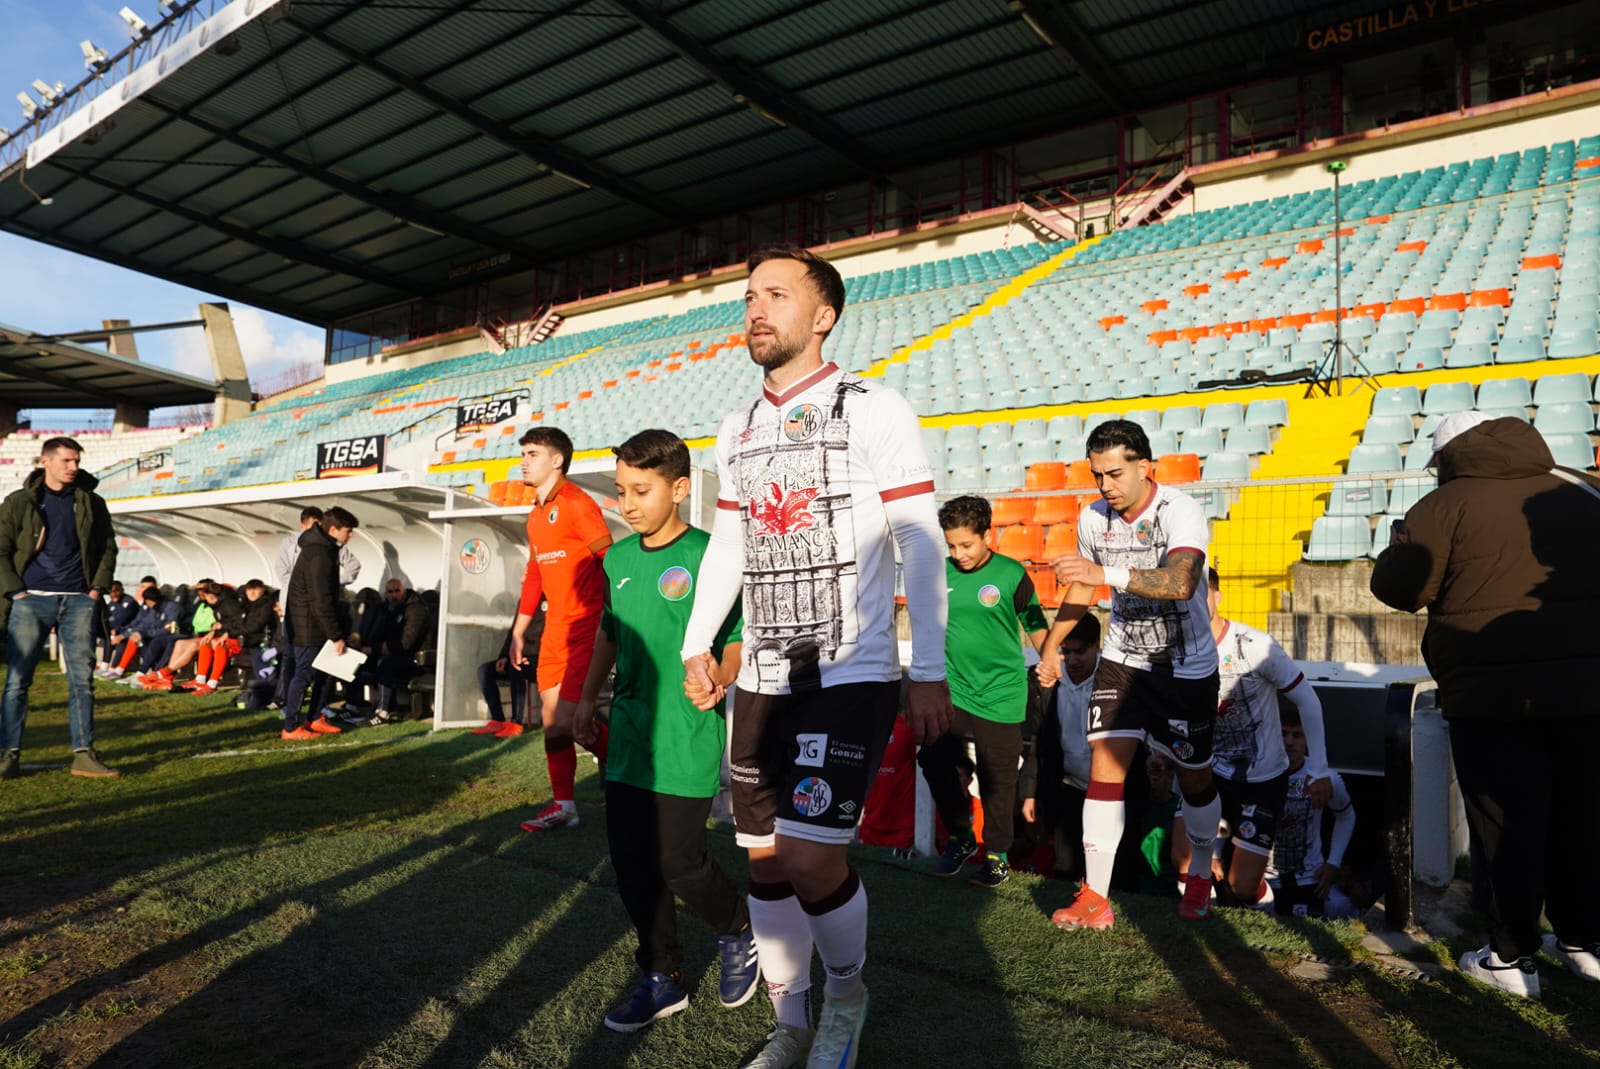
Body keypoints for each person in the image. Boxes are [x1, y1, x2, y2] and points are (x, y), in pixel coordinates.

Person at [680, 243, 951, 1069]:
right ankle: (790, 1022)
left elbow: (918, 536)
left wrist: (928, 662)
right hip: (758, 672)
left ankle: (845, 996)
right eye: (748, 295)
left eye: (776, 294)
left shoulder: (873, 407)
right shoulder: (737, 427)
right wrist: (701, 642)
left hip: (849, 666)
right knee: (762, 861)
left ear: (823, 314)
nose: (756, 309)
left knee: (808, 853)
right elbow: (729, 542)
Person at [1371, 412, 1600, 998]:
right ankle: (1583, 943)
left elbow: (1399, 588)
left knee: (1507, 824)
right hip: (1587, 688)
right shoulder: (1579, 484)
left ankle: (1510, 957)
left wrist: (1398, 543)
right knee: (1579, 818)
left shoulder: (1443, 505)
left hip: (1491, 695)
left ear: (1448, 457)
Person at [566, 429, 754, 1032]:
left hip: (684, 734)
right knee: (632, 864)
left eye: (641, 490)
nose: (628, 503)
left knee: (679, 860)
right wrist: (585, 697)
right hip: (627, 740)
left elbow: (735, 642)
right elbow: (609, 635)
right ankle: (662, 975)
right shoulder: (617, 560)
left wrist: (718, 679)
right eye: (621, 490)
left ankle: (736, 928)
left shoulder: (711, 556)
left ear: (678, 488)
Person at [1036, 419, 1221, 930]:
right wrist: (1051, 649)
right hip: (1124, 659)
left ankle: (1201, 872)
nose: (1105, 487)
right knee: (1105, 762)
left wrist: (1106, 575)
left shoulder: (1179, 511)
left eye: (1115, 474)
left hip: (1185, 670)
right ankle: (1096, 894)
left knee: (1195, 778)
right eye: (1098, 475)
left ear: (1146, 467)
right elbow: (1081, 593)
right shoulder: (1093, 519)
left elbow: (1182, 581)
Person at [1172, 568, 1330, 911]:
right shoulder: (1176, 649)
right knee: (1184, 862)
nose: (1196, 602)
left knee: (1242, 886)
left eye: (1204, 593)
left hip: (1261, 779)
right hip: (1207, 771)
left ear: (1217, 596)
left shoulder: (1254, 645)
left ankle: (1267, 908)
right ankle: (1202, 922)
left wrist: (1319, 770)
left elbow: (1308, 700)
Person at [919, 495, 1047, 889]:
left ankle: (996, 855)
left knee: (998, 779)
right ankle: (959, 837)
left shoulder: (1011, 574)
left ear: (986, 536)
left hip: (1002, 694)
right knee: (933, 758)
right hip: (953, 692)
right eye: (952, 545)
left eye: (967, 545)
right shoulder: (939, 574)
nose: (959, 554)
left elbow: (1035, 622)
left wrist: (1051, 658)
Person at [510, 426, 613, 830]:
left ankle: (645, 780)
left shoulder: (576, 503)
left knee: (570, 723)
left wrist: (613, 613)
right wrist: (519, 630)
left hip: (585, 629)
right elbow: (535, 573)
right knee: (555, 726)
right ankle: (564, 806)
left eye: (533, 453)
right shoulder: (535, 515)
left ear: (557, 460)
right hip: (554, 632)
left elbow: (608, 556)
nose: (524, 460)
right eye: (523, 453)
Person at [0, 436, 120, 779]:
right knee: (17, 682)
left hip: (80, 600)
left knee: (82, 681)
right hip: (30, 601)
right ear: (46, 461)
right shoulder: (19, 502)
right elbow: (1, 550)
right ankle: (8, 755)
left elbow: (108, 548)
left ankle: (84, 754)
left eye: (76, 461)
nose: (74, 467)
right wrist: (16, 593)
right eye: (67, 461)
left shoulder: (91, 502)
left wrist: (96, 589)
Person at [1268, 705, 1357, 920]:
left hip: (1308, 878)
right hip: (1260, 878)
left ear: (1309, 739)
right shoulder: (1255, 771)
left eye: (1297, 735)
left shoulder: (1327, 778)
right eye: (1283, 733)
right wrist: (1216, 856)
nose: (1289, 742)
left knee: (1342, 908)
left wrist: (1333, 863)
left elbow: (1346, 816)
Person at [281, 506, 361, 740]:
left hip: (315, 622)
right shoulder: (319, 553)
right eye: (348, 530)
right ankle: (290, 727)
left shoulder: (325, 549)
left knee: (326, 672)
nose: (351, 535)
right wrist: (335, 635)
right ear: (334, 529)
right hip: (308, 624)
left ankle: (315, 718)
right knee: (304, 674)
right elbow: (320, 599)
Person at [369, 579, 432, 717]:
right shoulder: (389, 610)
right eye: (390, 592)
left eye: (397, 590)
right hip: (400, 657)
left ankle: (382, 712)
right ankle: (354, 705)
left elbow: (405, 644)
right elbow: (378, 636)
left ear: (404, 590)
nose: (393, 595)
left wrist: (377, 648)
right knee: (369, 660)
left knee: (385, 663)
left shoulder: (416, 610)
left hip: (418, 660)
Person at [471, 622, 535, 737]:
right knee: (484, 670)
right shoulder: (523, 608)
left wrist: (530, 656)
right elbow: (513, 635)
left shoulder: (550, 607)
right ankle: (498, 721)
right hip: (515, 657)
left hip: (538, 659)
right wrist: (504, 656)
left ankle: (516, 723)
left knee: (515, 666)